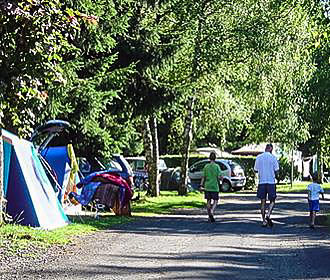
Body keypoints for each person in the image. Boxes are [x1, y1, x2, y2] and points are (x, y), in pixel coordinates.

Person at [254, 143, 279, 227]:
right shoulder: (273, 158)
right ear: (271, 149)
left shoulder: (259, 157)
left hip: (262, 182)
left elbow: (255, 170)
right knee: (272, 201)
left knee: (263, 202)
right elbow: (276, 170)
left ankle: (264, 221)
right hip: (271, 182)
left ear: (265, 148)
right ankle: (268, 214)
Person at [199, 152, 224, 223]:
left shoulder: (206, 166)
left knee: (208, 200)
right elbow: (219, 177)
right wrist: (221, 179)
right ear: (215, 158)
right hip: (215, 186)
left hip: (207, 186)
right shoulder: (217, 166)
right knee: (215, 200)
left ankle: (209, 215)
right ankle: (212, 210)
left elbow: (203, 177)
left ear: (209, 158)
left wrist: (201, 185)